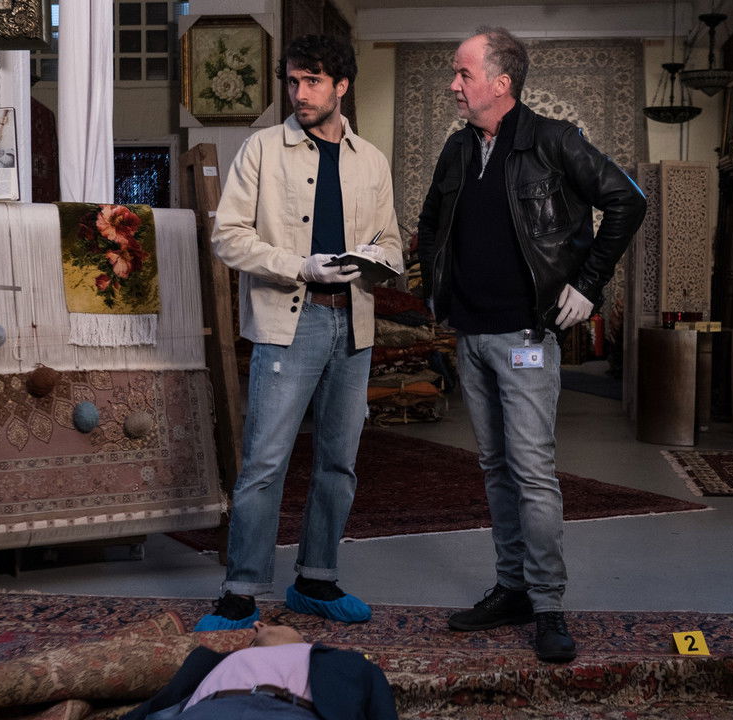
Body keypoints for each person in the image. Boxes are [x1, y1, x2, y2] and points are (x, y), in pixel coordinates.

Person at [416, 27, 646, 662]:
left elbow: (627, 201)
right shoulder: (458, 148)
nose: (453, 85)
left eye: (463, 74)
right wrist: (435, 288)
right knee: (495, 469)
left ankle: (547, 604)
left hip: (526, 336)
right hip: (470, 335)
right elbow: (431, 223)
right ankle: (512, 588)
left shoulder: (553, 140)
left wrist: (589, 285)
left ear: (501, 82)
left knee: (532, 474)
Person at [195, 34, 402, 631]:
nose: (300, 93)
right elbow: (227, 236)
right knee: (265, 461)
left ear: (342, 86)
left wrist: (377, 260)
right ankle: (240, 591)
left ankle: (316, 579)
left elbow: (393, 242)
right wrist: (301, 266)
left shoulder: (372, 160)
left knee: (339, 461)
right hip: (293, 320)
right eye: (293, 81)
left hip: (354, 323)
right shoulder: (262, 149)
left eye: (313, 81)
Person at [123, 620, 398, 720]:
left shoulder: (344, 662)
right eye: (255, 635)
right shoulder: (212, 660)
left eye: (271, 623)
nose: (258, 624)